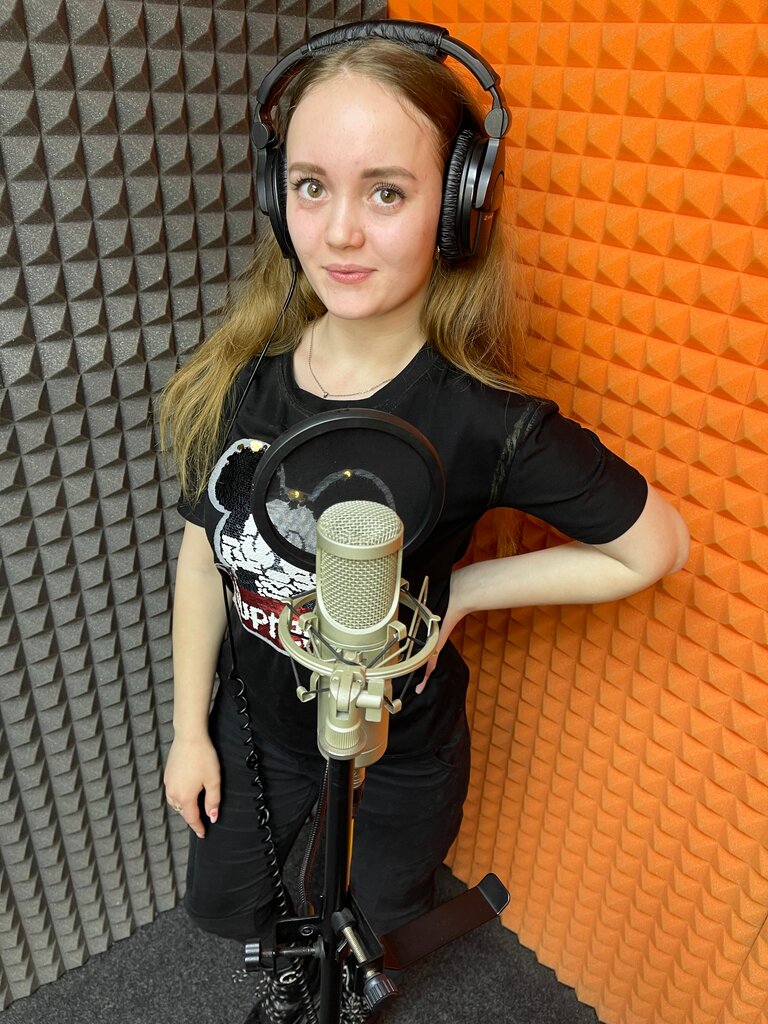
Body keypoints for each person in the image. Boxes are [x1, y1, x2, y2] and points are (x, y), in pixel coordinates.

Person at [159, 21, 690, 1024]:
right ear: (277, 196)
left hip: (401, 745)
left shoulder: (483, 419)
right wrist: (190, 731)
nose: (339, 233)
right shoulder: (242, 383)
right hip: (259, 731)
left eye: (386, 192)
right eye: (311, 186)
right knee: (237, 898)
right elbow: (202, 560)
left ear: (456, 209)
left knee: (376, 907)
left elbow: (656, 546)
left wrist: (464, 591)